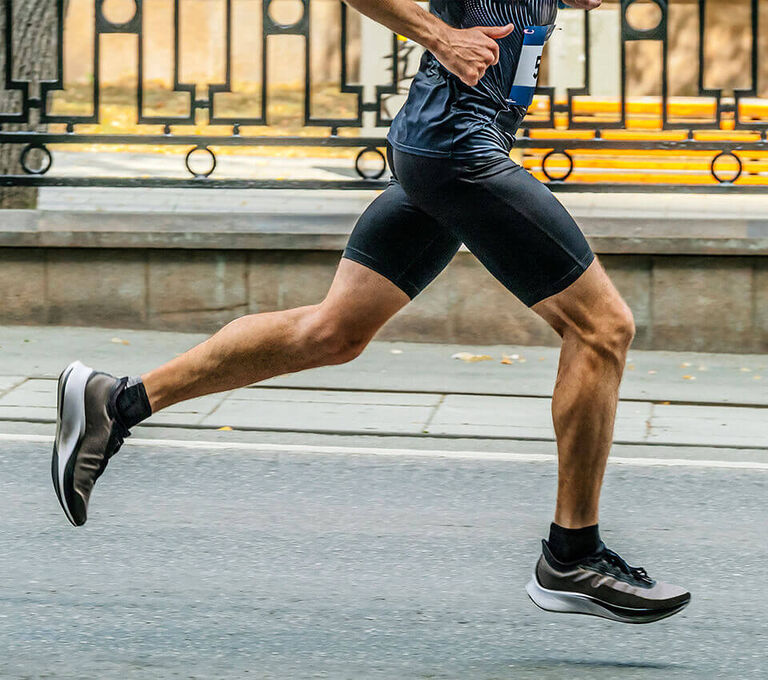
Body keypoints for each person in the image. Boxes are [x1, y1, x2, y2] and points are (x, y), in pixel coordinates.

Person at [51, 0, 690, 624]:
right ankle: (572, 556)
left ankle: (117, 402)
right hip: (458, 150)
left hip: (448, 149)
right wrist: (439, 35)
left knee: (333, 332)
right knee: (601, 327)